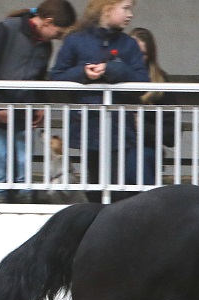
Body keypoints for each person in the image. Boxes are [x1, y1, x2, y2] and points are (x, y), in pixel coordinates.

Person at [0, 0, 77, 203]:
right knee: (0, 158)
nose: (57, 38)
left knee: (23, 160)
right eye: (58, 33)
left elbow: (38, 78)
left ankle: (24, 195)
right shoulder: (6, 28)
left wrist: (40, 105)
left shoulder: (45, 45)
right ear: (47, 22)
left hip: (23, 109)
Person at [50, 0, 149, 202]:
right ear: (107, 9)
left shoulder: (128, 44)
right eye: (126, 8)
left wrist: (112, 69)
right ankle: (98, 214)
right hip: (87, 122)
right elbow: (57, 77)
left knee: (117, 182)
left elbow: (142, 83)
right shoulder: (76, 41)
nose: (130, 14)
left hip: (119, 125)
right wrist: (83, 73)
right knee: (94, 179)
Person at [129, 27, 177, 187]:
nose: (136, 59)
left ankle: (146, 202)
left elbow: (171, 135)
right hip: (116, 147)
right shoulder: (114, 78)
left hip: (146, 147)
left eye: (142, 54)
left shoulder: (160, 82)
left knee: (137, 159)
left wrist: (142, 126)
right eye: (133, 52)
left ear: (150, 56)